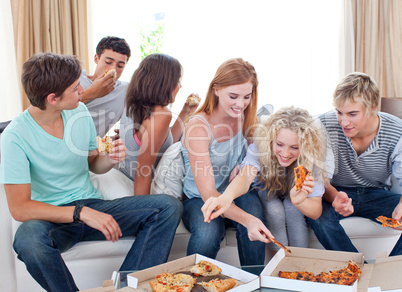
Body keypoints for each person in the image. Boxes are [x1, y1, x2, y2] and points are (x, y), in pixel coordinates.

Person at [0, 52, 183, 291]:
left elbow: (92, 163)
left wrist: (109, 159)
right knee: (28, 240)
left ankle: (127, 288)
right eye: (76, 87)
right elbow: (20, 208)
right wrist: (81, 213)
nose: (83, 91)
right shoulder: (14, 137)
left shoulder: (78, 113)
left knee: (168, 207)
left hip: (91, 205)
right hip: (52, 217)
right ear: (53, 98)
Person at [202, 106, 327, 254]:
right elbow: (245, 175)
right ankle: (280, 263)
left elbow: (316, 211)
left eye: (294, 147)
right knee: (274, 211)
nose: (285, 153)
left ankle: (298, 263)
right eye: (279, 144)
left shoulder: (311, 159)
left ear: (305, 146)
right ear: (270, 140)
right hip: (266, 190)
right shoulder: (260, 147)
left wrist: (299, 201)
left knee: (293, 209)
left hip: (295, 196)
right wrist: (226, 197)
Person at [180, 58, 267, 265]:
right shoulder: (198, 127)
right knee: (208, 233)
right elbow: (209, 193)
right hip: (199, 198)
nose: (240, 104)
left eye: (246, 96)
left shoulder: (246, 116)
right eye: (233, 96)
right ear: (216, 89)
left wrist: (245, 165)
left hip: (236, 191)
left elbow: (257, 159)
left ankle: (255, 283)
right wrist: (249, 221)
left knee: (254, 208)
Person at [306, 72, 402, 256]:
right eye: (339, 112)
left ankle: (387, 270)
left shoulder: (397, 131)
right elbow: (319, 178)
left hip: (375, 193)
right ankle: (359, 272)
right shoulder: (324, 125)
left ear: (373, 108)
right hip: (335, 191)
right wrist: (335, 197)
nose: (344, 121)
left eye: (352, 114)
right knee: (319, 218)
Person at [118, 53, 200, 195]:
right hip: (138, 181)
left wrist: (185, 112)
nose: (180, 86)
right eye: (177, 80)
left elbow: (163, 144)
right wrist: (143, 212)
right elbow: (142, 172)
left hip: (124, 171)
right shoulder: (161, 114)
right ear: (164, 83)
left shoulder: (132, 102)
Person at [81, 36, 131, 137]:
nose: (113, 69)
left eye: (120, 66)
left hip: (92, 150)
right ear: (96, 58)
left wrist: (130, 134)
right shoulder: (75, 78)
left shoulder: (126, 91)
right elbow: (52, 110)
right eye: (108, 62)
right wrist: (91, 93)